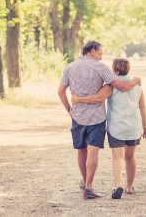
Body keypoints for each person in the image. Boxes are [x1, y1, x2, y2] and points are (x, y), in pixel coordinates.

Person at [58, 41, 141, 199]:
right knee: (92, 151)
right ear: (93, 51)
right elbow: (122, 86)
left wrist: (69, 109)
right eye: (100, 54)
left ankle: (85, 182)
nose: (101, 57)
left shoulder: (69, 67)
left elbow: (61, 91)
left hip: (77, 116)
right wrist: (137, 80)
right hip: (96, 118)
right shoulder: (101, 68)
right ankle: (88, 187)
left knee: (81, 150)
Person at [72, 58, 146, 199]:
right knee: (130, 157)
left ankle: (118, 184)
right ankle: (129, 187)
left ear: (114, 70)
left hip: (117, 128)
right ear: (128, 69)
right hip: (134, 127)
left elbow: (98, 98)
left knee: (117, 157)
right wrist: (145, 125)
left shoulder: (111, 86)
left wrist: (78, 100)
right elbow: (142, 106)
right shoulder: (137, 86)